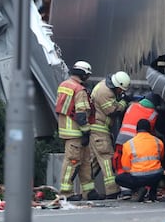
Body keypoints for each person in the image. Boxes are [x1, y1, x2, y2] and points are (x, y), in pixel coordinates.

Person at [55, 60, 101, 201]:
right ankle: (66, 193)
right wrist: (86, 131)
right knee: (72, 162)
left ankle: (89, 191)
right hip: (77, 133)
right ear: (83, 74)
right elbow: (81, 116)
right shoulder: (79, 90)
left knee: (85, 161)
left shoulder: (64, 85)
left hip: (67, 130)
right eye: (87, 75)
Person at [89, 71, 131, 199]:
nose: (120, 92)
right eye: (120, 90)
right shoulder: (105, 92)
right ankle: (112, 191)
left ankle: (86, 190)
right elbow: (112, 110)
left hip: (97, 130)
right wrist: (123, 102)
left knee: (94, 162)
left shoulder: (105, 87)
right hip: (99, 130)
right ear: (117, 86)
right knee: (107, 158)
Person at [113, 91, 160, 199]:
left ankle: (125, 191)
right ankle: (141, 187)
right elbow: (150, 130)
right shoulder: (153, 114)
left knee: (120, 163)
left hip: (121, 139)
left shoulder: (132, 106)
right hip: (136, 141)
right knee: (138, 162)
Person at [115, 119, 164, 202]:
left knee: (118, 179)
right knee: (157, 171)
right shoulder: (158, 142)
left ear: (136, 130)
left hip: (137, 178)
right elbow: (160, 158)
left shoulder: (128, 144)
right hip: (155, 176)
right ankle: (152, 194)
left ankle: (139, 189)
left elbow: (126, 167)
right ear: (150, 129)